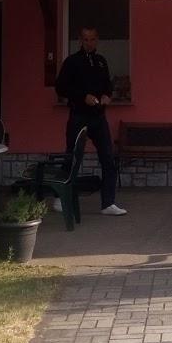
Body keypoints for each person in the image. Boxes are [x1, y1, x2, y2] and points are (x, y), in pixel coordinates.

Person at [54, 26, 126, 216]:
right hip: (79, 115)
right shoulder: (72, 62)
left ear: (97, 40)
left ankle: (108, 203)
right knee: (73, 157)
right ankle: (61, 197)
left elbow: (107, 87)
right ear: (80, 40)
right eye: (86, 39)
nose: (89, 42)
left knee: (108, 158)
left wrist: (106, 96)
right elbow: (61, 88)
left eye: (93, 39)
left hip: (98, 117)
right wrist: (81, 96)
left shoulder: (101, 61)